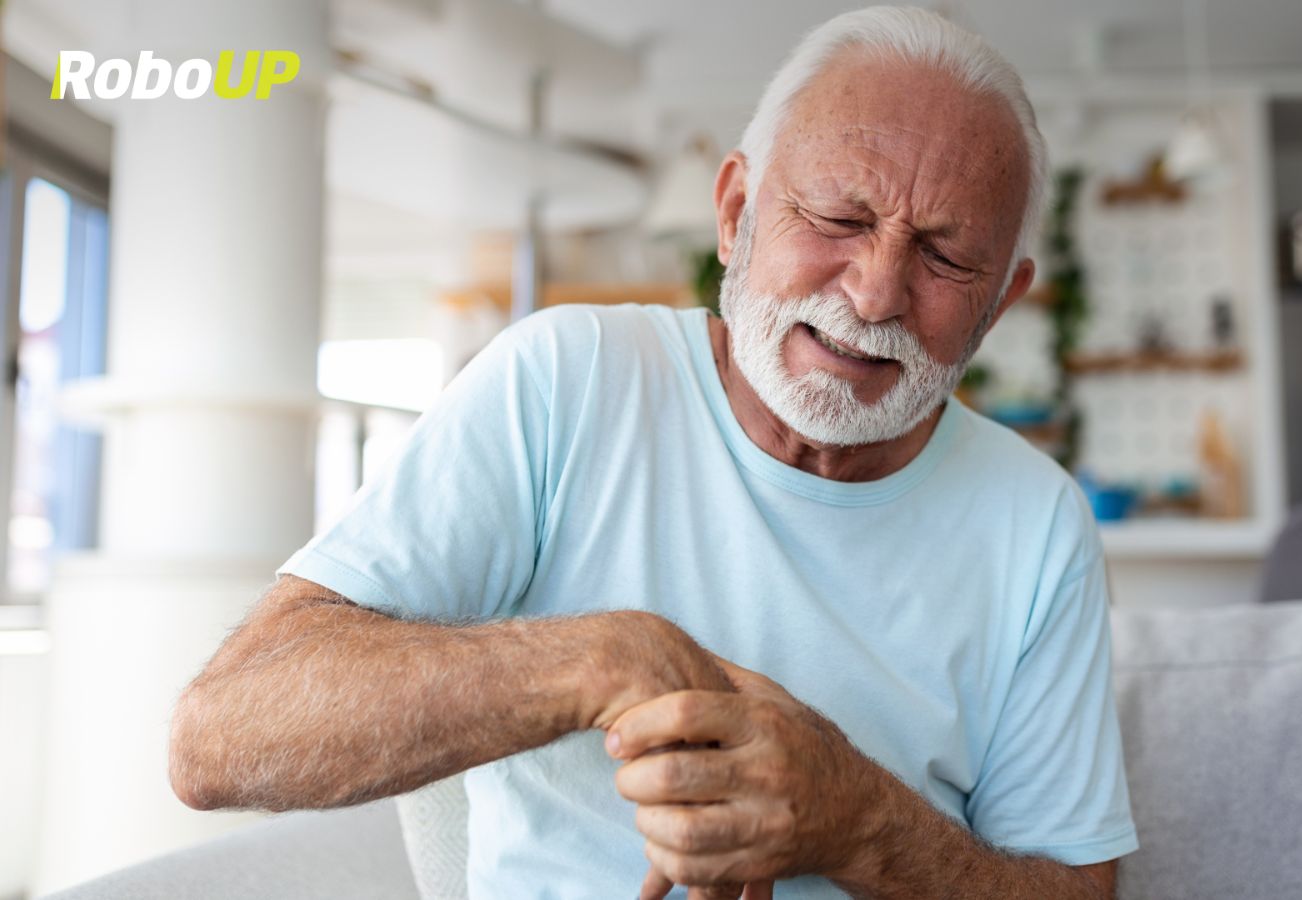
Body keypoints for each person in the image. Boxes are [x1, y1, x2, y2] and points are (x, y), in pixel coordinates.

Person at [168, 7, 1138, 898]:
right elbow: (222, 739)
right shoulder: (565, 378)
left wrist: (858, 820)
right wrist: (598, 660)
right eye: (839, 219)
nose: (876, 291)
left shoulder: (1035, 520)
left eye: (942, 256)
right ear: (734, 214)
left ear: (1000, 301)